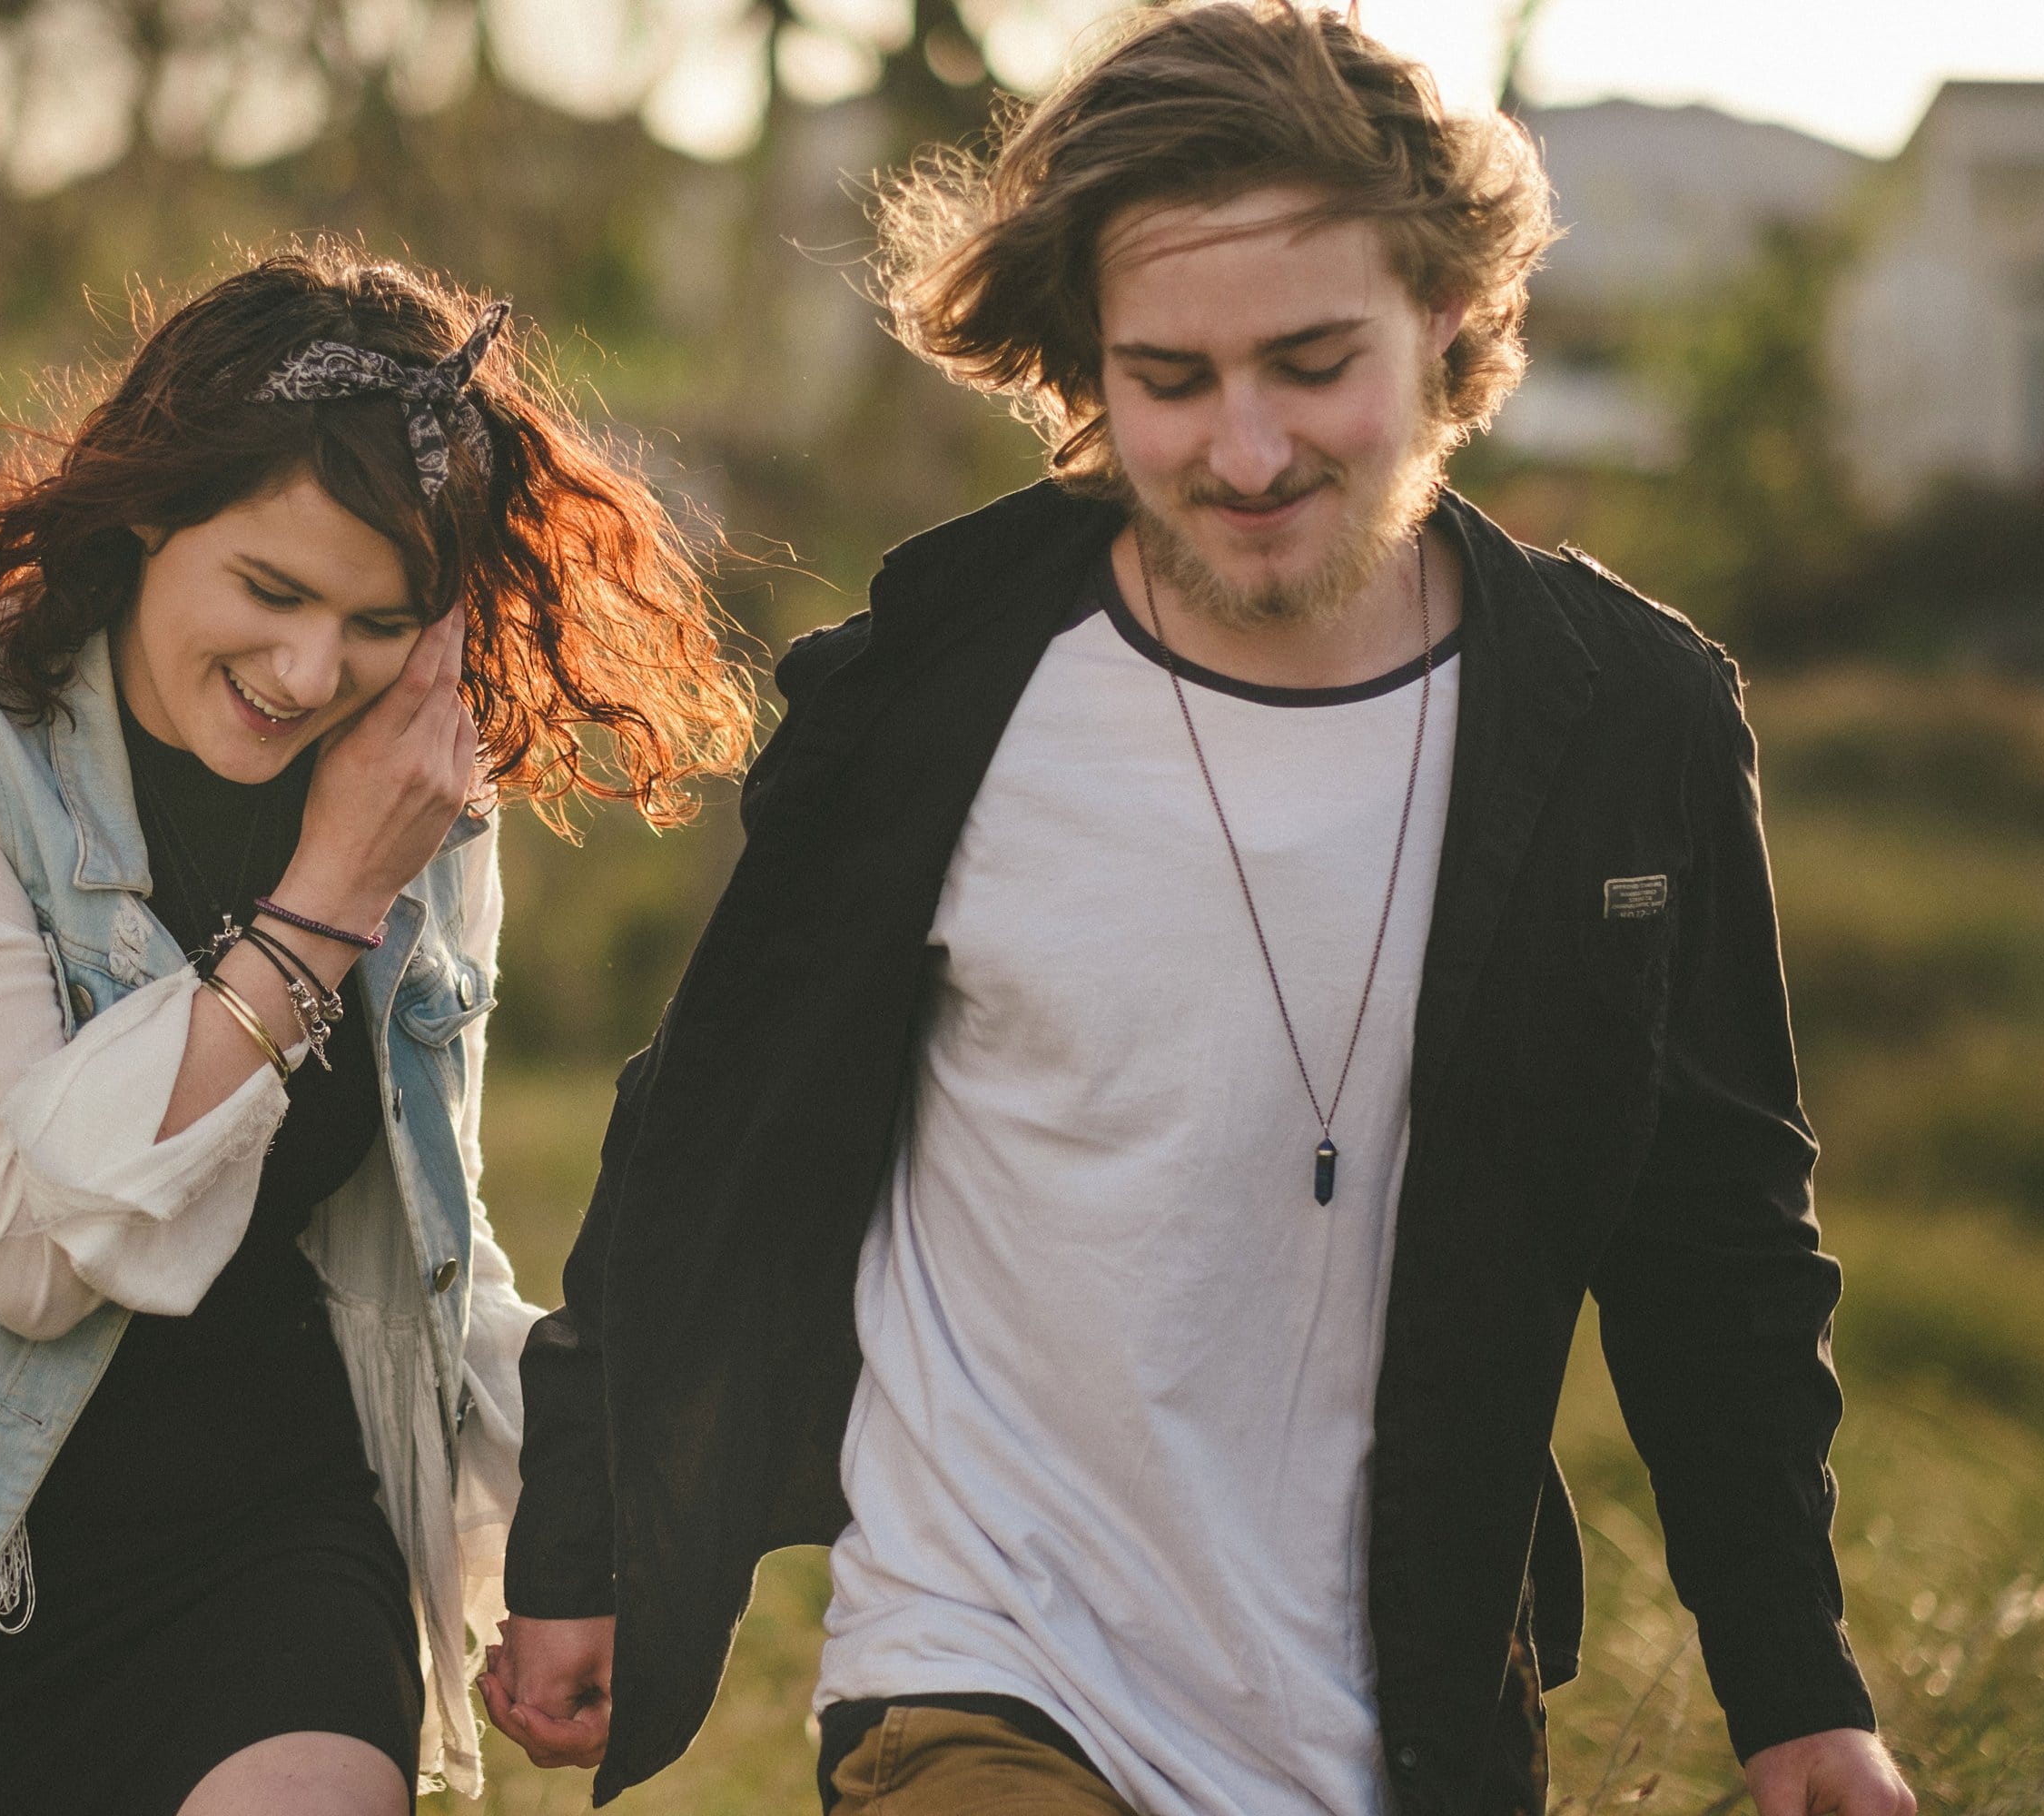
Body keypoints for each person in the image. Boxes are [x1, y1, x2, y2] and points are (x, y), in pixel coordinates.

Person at [482, 7, 1916, 1815]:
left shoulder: (1628, 724)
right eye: (1170, 379)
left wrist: (1798, 1689)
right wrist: (578, 1537)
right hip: (978, 1659)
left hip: (1408, 1715)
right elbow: (709, 1125)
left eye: (1313, 364)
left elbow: (1716, 1242)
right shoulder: (936, 688)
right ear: (1084, 364)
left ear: (1451, 321)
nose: (1243, 452)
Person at [0, 242, 754, 1815]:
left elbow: (429, 1229)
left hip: (271, 1534)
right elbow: (26, 1258)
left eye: (381, 621)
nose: (310, 673)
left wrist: (582, 1536)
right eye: (271, 591)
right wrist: (328, 893)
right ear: (152, 505)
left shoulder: (423, 788)